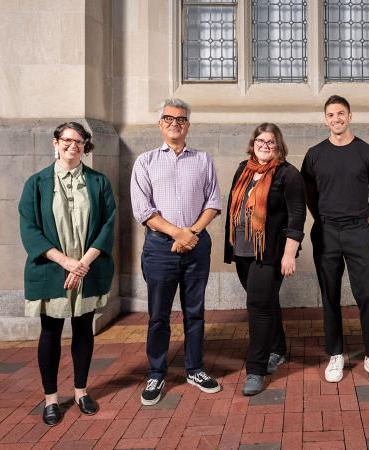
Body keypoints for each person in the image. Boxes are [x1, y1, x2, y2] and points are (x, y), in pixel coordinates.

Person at [18, 122, 116, 426]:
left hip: (88, 267)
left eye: (80, 142)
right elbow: (29, 229)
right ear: (55, 142)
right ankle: (50, 399)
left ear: (86, 146)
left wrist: (82, 263)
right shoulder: (36, 183)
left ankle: (81, 391)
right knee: (50, 332)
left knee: (84, 329)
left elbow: (108, 224)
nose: (73, 146)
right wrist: (66, 263)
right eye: (67, 140)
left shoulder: (98, 182)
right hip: (51, 270)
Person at [130, 98, 222, 405]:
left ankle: (195, 368)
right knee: (159, 315)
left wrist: (191, 233)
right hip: (160, 247)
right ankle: (156, 373)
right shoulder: (145, 162)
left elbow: (213, 202)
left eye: (181, 119)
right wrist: (177, 233)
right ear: (160, 124)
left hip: (196, 246)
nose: (175, 123)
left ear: (188, 125)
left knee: (195, 312)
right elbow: (143, 209)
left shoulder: (203, 159)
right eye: (168, 118)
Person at [302, 95, 369, 385]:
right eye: (331, 114)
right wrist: (325, 220)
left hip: (358, 231)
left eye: (341, 113)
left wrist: (360, 223)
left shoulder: (367, 152)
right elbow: (309, 197)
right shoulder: (314, 154)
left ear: (349, 116)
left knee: (366, 294)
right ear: (325, 119)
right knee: (329, 294)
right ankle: (336, 354)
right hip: (326, 231)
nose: (336, 119)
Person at [224, 123, 306, 396]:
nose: (265, 145)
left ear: (278, 145)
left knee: (257, 306)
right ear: (253, 143)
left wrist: (289, 254)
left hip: (270, 254)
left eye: (271, 142)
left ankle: (255, 370)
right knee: (266, 302)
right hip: (244, 252)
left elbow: (297, 217)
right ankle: (278, 349)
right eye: (260, 140)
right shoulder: (243, 169)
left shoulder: (288, 174)